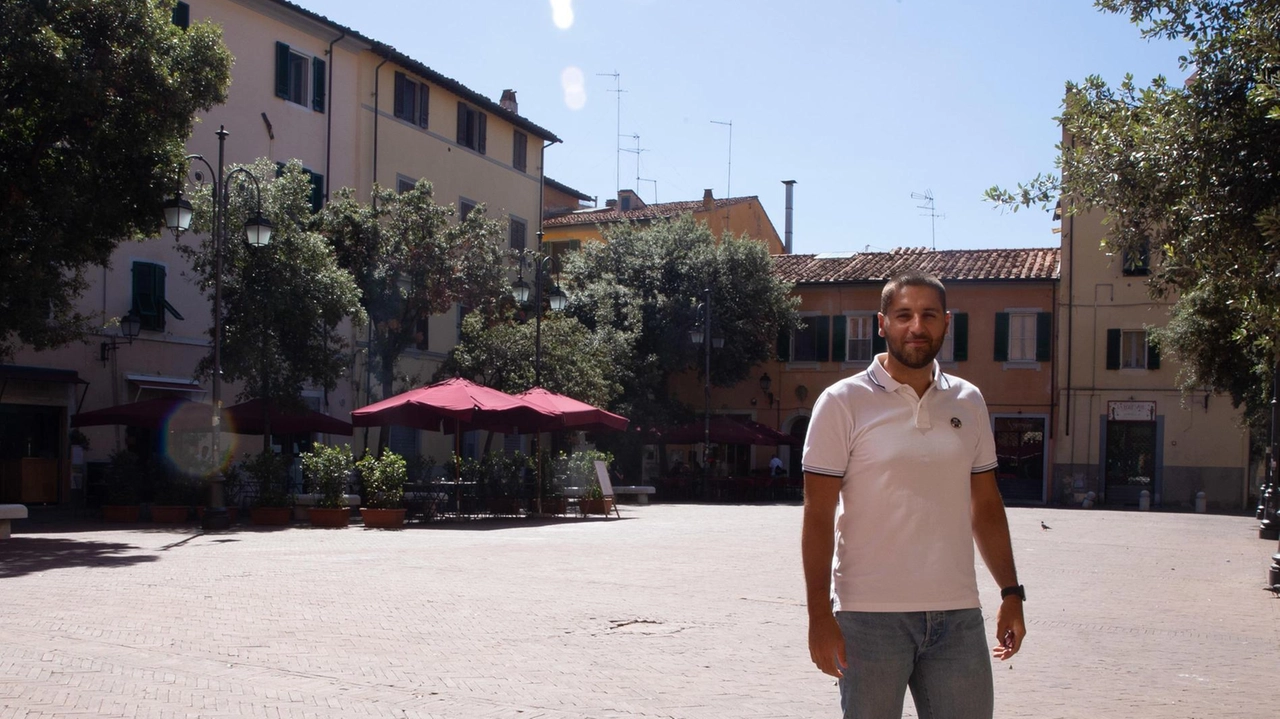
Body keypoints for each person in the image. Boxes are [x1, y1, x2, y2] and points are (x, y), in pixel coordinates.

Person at [801, 270, 1025, 719]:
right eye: (903, 315)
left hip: (958, 616)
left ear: (946, 322)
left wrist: (1010, 593)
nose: (916, 327)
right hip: (869, 618)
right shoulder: (842, 402)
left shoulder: (969, 400)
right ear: (882, 324)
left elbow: (986, 505)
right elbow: (818, 516)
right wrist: (819, 618)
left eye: (927, 315)